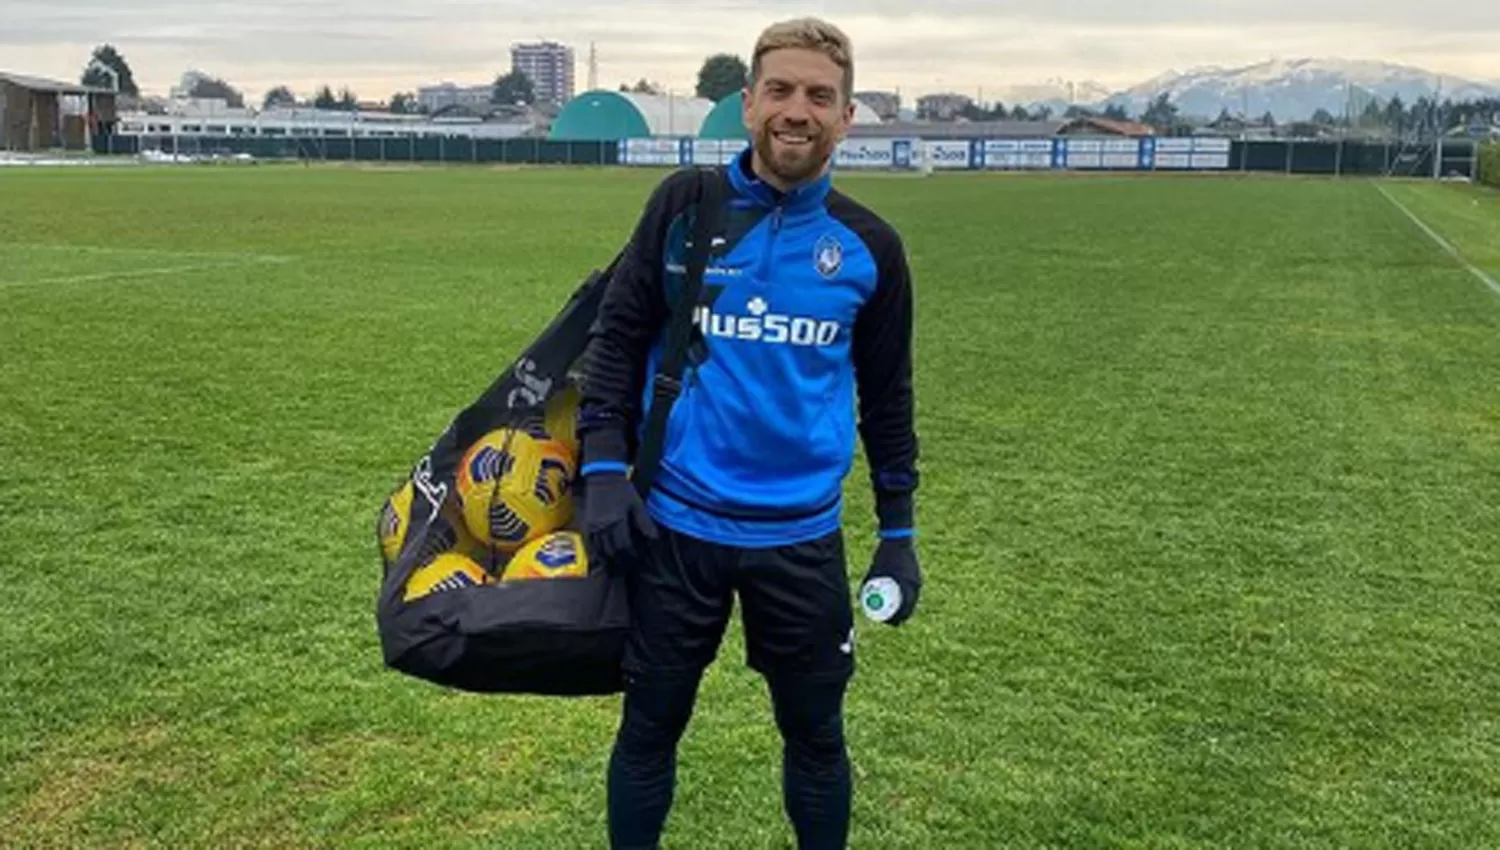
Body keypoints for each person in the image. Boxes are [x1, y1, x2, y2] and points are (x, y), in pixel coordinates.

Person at [575, 16, 922, 850]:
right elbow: (616, 338)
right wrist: (605, 470)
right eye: (780, 90)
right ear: (748, 103)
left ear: (845, 116)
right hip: (673, 531)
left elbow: (888, 396)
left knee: (816, 740)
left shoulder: (870, 247)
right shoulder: (684, 207)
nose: (796, 111)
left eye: (819, 95)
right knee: (649, 733)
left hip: (802, 539)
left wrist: (899, 532)